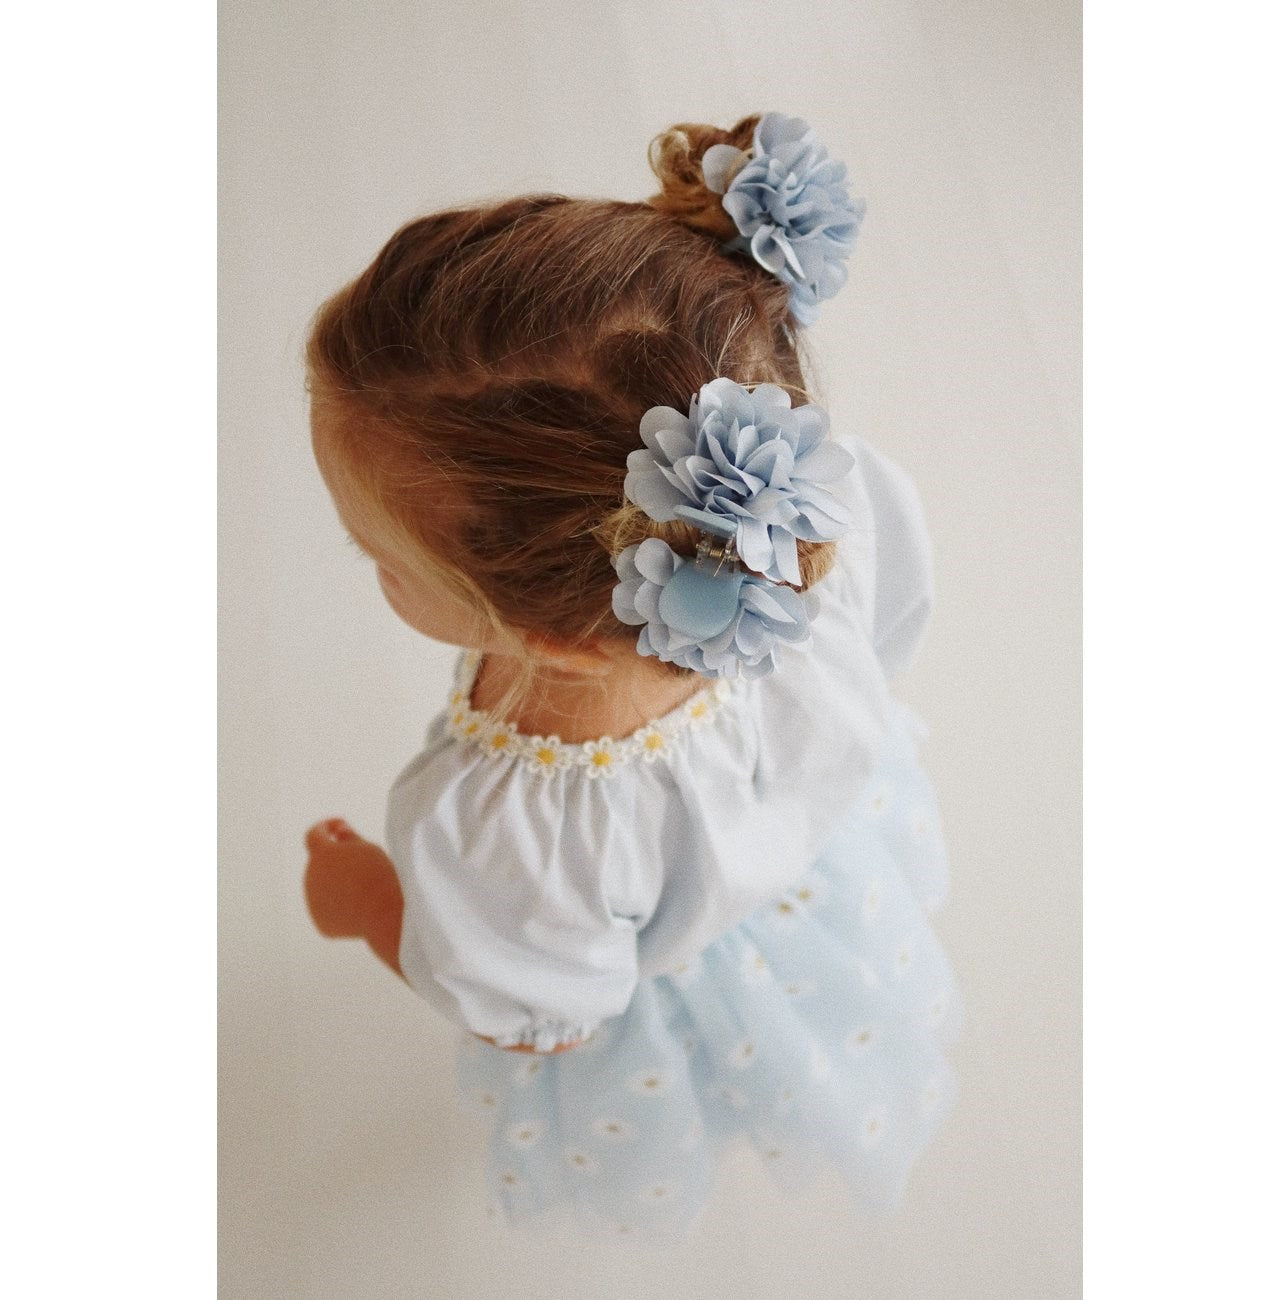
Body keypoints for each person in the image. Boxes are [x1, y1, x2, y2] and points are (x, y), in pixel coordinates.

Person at [302, 112, 960, 1241]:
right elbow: (889, 636)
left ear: (551, 637)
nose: (373, 569)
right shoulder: (805, 522)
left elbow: (539, 1018)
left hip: (692, 994)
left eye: (380, 559)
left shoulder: (515, 833)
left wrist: (368, 902)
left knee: (715, 1085)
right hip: (825, 868)